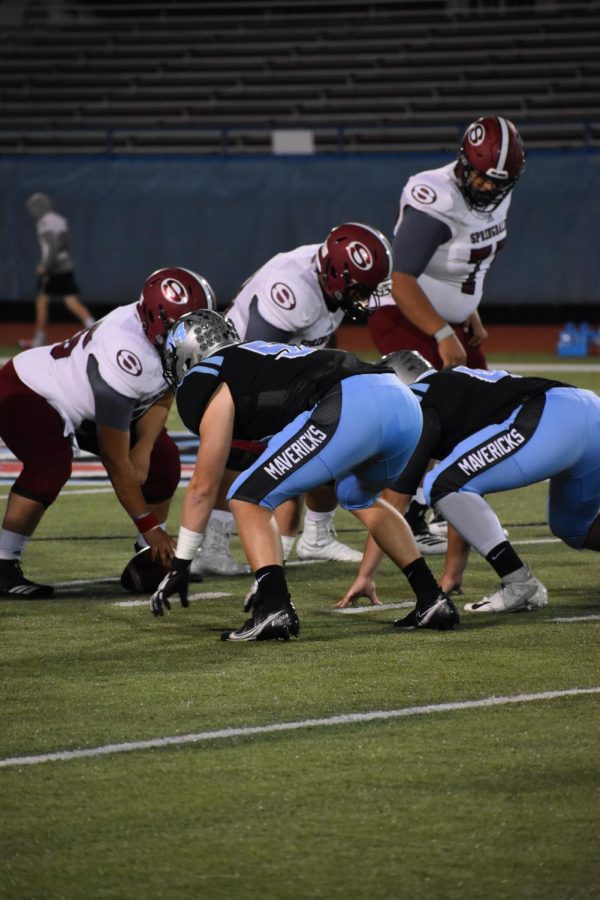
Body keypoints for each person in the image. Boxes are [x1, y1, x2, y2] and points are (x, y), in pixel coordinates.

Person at [149, 310, 459, 640]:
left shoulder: (207, 375)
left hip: (350, 402)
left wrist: (181, 564)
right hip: (400, 401)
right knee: (358, 496)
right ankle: (431, 598)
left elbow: (203, 486)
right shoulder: (260, 358)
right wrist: (268, 565)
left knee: (246, 496)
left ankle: (275, 608)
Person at [190, 221, 393, 579]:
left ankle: (313, 536)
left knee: (330, 428)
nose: (364, 298)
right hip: (243, 367)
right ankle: (215, 545)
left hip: (286, 362)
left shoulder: (332, 277)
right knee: (243, 450)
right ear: (334, 274)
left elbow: (320, 338)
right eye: (359, 289)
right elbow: (257, 357)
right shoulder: (291, 288)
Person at [0, 266, 215, 599]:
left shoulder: (158, 330)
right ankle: (2, 564)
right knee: (51, 463)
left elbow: (165, 388)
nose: (198, 333)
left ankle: (151, 558)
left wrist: (144, 448)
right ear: (161, 322)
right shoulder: (124, 354)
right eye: (190, 324)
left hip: (83, 403)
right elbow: (116, 462)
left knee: (163, 460)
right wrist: (151, 526)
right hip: (30, 390)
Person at [339, 350, 600, 619]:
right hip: (585, 410)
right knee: (573, 527)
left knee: (443, 484)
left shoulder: (417, 399)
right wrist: (453, 571)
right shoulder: (451, 387)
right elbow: (462, 499)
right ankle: (516, 580)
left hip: (550, 417)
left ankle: (519, 582)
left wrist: (366, 574)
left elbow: (394, 503)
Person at [367, 115, 526, 552]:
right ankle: (409, 514)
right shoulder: (434, 197)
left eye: (499, 181)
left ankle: (429, 502)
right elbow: (402, 281)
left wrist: (470, 311)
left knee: (482, 415)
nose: (488, 187)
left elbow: (473, 261)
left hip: (445, 316)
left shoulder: (495, 198)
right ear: (462, 160)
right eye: (480, 176)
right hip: (404, 313)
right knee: (433, 416)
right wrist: (441, 331)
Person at [21, 193, 96, 348]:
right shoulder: (59, 219)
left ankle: (38, 339)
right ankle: (95, 329)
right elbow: (65, 246)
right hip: (66, 265)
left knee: (41, 301)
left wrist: (44, 266)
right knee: (71, 301)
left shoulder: (44, 222)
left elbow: (52, 247)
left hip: (54, 268)